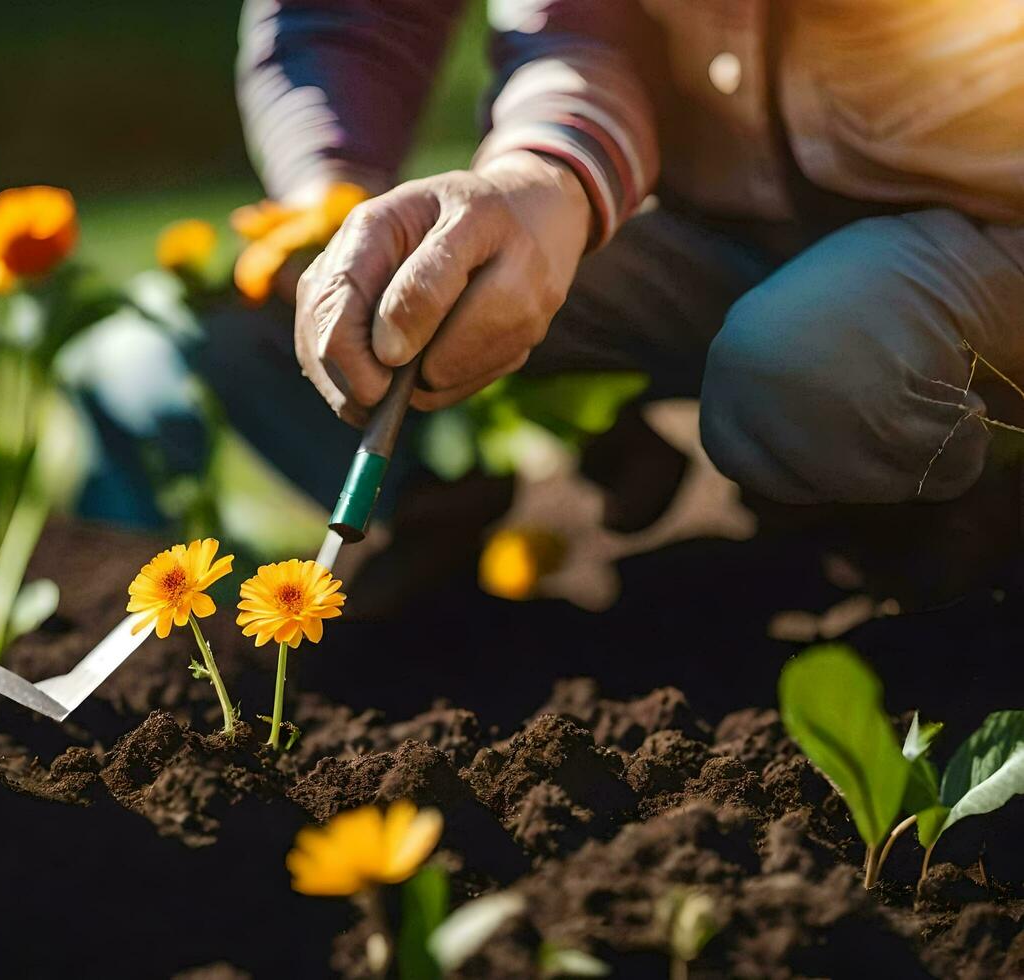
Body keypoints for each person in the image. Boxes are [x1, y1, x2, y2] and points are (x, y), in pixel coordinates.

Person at [179, 0, 1024, 606]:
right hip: (722, 214)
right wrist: (541, 176)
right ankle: (487, 500)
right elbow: (580, 29)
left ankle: (956, 524)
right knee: (406, 288)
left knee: (808, 364)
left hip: (993, 217)